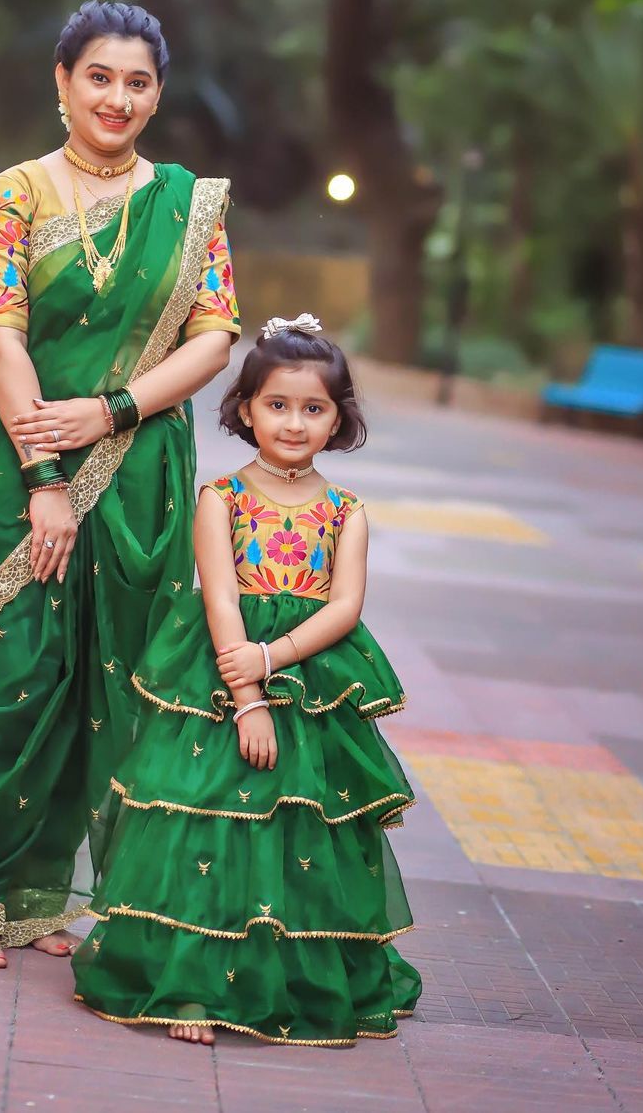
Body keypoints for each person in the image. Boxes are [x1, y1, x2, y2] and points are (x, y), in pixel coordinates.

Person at [0, 1, 240, 970]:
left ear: (157, 95)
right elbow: (0, 336)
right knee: (12, 675)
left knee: (111, 680)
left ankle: (42, 893)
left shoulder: (189, 207)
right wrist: (44, 475)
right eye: (99, 76)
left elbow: (216, 337)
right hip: (11, 466)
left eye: (137, 81)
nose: (118, 97)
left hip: (137, 475)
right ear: (62, 83)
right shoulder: (14, 194)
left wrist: (114, 411)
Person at [72, 315, 421, 1046]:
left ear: (339, 418)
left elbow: (346, 606)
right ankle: (194, 984)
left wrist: (276, 657)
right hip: (221, 682)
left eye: (314, 408)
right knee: (210, 822)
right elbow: (222, 597)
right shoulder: (221, 499)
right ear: (246, 408)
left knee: (299, 828)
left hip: (313, 685)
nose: (294, 423)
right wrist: (248, 695)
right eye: (278, 404)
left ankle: (294, 975)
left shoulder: (347, 513)